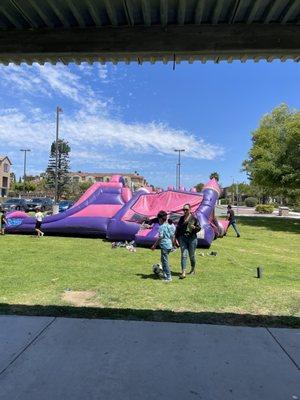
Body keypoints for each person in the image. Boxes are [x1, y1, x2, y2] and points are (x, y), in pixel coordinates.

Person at [175, 204, 201, 279]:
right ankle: (183, 272)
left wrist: (195, 227)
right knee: (184, 255)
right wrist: (175, 238)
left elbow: (199, 228)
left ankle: (193, 269)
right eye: (184, 209)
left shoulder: (194, 218)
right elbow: (178, 228)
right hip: (183, 238)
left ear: (190, 209)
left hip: (192, 239)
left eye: (186, 209)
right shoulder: (181, 218)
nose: (185, 211)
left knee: (191, 256)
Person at [151, 210, 174, 283]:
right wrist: (173, 245)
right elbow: (172, 235)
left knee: (165, 262)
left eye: (158, 219)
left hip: (164, 246)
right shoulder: (169, 226)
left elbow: (160, 237)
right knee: (163, 260)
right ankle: (165, 274)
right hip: (169, 245)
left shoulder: (161, 227)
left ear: (160, 219)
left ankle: (168, 277)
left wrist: (154, 245)